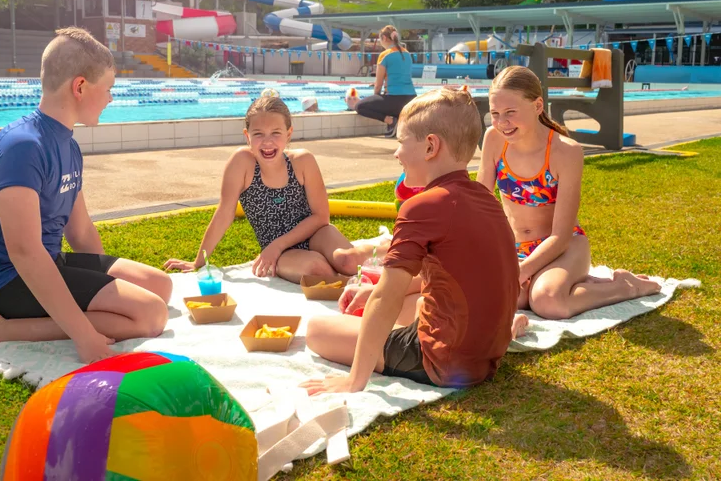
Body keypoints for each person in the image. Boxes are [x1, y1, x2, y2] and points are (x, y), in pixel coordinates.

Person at [0, 27, 172, 364]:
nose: (111, 99)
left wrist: (99, 288)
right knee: (150, 315)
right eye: (108, 89)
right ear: (80, 87)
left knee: (160, 286)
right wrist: (84, 333)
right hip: (0, 280)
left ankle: (58, 315)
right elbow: (23, 251)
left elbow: (80, 232)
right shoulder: (23, 147)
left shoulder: (68, 146)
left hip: (45, 262)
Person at [300, 87, 525, 394]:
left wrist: (355, 380)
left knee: (317, 330)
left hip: (444, 361)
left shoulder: (421, 207)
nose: (396, 153)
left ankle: (376, 359)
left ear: (430, 146)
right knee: (418, 303)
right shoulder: (486, 199)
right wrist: (372, 292)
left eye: (401, 142)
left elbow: (386, 298)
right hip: (487, 353)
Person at [477, 66, 661, 320]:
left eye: (510, 112)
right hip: (516, 247)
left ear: (537, 105)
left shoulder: (566, 151)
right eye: (495, 114)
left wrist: (523, 270)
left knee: (547, 302)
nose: (502, 123)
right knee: (515, 298)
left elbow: (561, 235)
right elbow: (480, 206)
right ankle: (576, 283)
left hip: (563, 247)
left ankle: (625, 286)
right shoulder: (494, 139)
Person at [164, 96, 388, 283]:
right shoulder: (241, 164)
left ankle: (385, 249)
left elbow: (321, 217)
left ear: (288, 134)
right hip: (282, 252)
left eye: (276, 133)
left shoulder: (302, 162)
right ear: (247, 136)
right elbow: (224, 213)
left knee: (347, 261)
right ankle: (358, 285)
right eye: (258, 134)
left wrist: (276, 246)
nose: (267, 142)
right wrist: (198, 262)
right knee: (318, 271)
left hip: (315, 234)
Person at [355, 25, 417, 138]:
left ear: (384, 38)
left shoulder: (385, 55)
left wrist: (376, 98)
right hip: (411, 99)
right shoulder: (407, 54)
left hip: (395, 100)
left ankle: (391, 121)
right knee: (388, 102)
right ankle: (397, 119)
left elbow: (378, 85)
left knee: (359, 106)